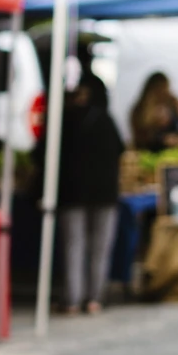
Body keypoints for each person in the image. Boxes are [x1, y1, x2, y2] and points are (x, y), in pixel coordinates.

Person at [38, 58, 124, 315]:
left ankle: (74, 298)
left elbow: (43, 154)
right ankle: (93, 297)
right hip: (103, 193)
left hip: (72, 193)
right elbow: (120, 150)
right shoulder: (105, 121)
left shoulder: (64, 121)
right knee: (99, 246)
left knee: (75, 245)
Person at [130, 71, 178, 151]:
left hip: (176, 150)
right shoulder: (141, 109)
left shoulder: (173, 102)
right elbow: (139, 138)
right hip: (150, 151)